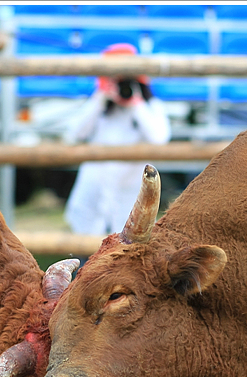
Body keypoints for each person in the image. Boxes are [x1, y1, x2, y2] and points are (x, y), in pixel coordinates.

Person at [63, 43, 171, 236]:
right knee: (86, 252)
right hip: (93, 195)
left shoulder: (150, 107)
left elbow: (159, 138)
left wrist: (135, 104)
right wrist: (101, 97)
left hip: (129, 196)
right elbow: (74, 134)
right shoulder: (100, 106)